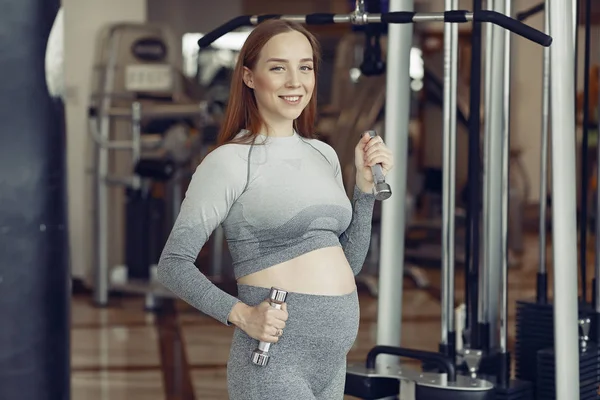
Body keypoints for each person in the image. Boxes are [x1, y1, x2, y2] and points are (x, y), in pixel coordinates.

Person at [157, 19, 394, 399]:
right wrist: (242, 315)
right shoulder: (230, 162)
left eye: (305, 67)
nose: (294, 81)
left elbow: (347, 266)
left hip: (332, 361)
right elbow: (173, 264)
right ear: (249, 77)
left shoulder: (324, 154)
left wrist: (364, 192)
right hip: (274, 361)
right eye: (278, 67)